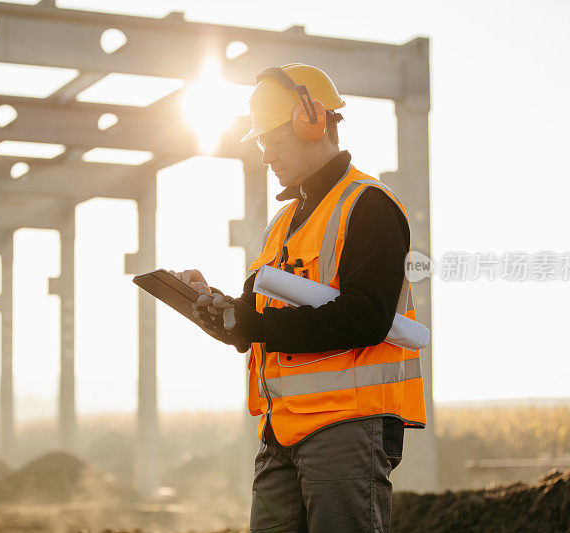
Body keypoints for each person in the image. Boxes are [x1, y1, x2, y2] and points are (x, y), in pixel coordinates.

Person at [174, 64, 426, 533]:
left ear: (312, 123)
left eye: (272, 141)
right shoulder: (282, 224)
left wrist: (258, 326)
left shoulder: (368, 206)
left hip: (346, 429)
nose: (266, 155)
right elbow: (254, 323)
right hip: (281, 432)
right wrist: (216, 306)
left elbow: (367, 317)